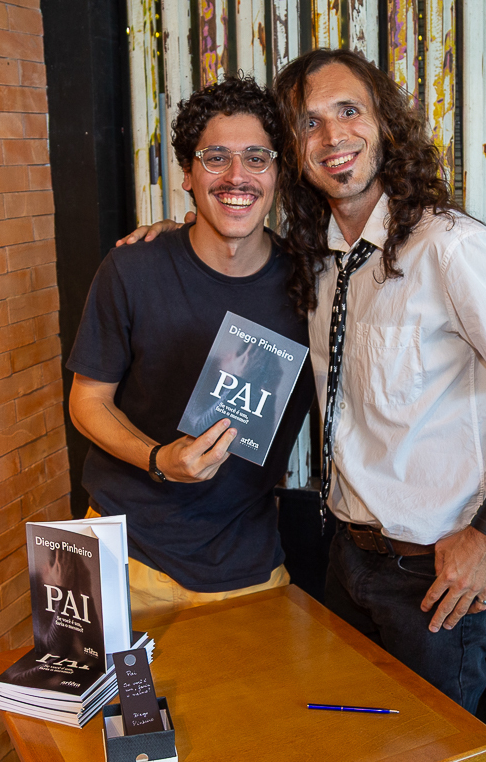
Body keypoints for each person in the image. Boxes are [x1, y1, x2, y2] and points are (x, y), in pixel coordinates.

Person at [124, 49, 486, 712]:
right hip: (345, 560)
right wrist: (182, 230)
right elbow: (232, 248)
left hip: (433, 578)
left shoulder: (447, 246)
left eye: (348, 111)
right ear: (292, 155)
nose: (333, 136)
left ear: (385, 125)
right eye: (309, 124)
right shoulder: (323, 266)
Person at [66, 75, 313, 622]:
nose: (236, 176)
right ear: (187, 175)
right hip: (124, 559)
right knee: (111, 714)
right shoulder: (132, 269)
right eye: (215, 157)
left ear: (278, 173)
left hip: (248, 569)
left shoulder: (311, 285)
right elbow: (87, 402)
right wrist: (159, 460)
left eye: (256, 157)